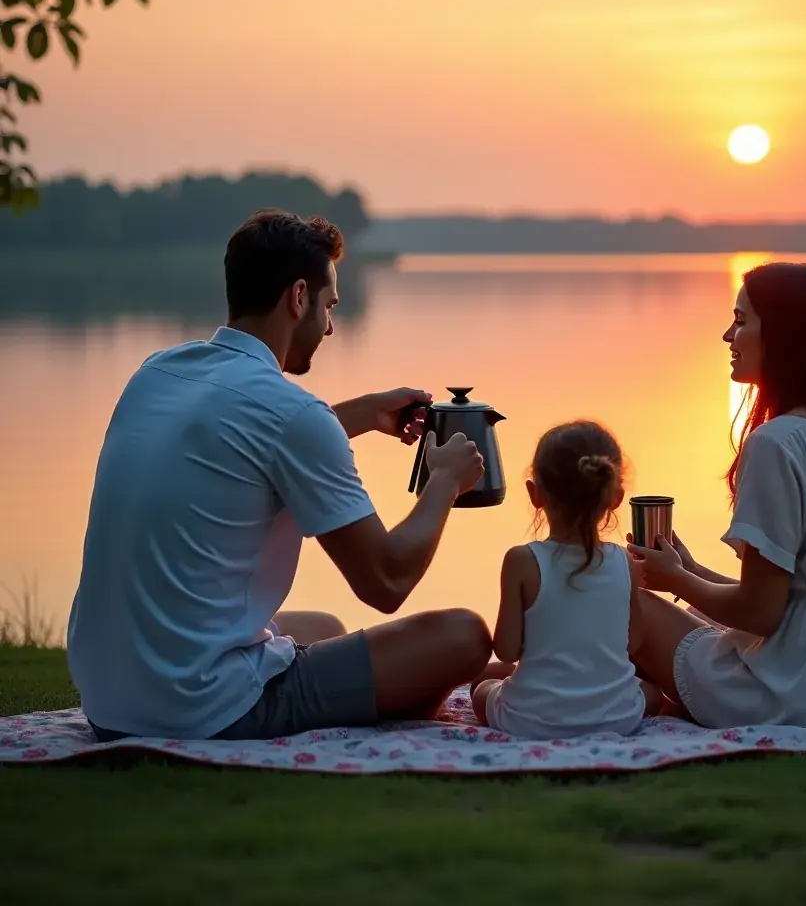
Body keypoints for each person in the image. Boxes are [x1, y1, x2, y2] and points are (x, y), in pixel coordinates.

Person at [67, 208, 492, 742]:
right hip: (198, 707)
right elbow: (386, 582)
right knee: (464, 636)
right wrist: (445, 482)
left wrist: (359, 415)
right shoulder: (292, 414)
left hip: (109, 695)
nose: (331, 325)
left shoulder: (157, 373)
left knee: (323, 629)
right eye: (329, 305)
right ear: (298, 298)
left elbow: (243, 449)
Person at [627, 262, 806, 729]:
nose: (727, 335)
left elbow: (761, 613)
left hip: (798, 693)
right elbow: (792, 598)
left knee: (625, 603)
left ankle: (554, 692)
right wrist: (690, 570)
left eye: (741, 321)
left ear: (783, 336)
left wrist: (674, 582)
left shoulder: (776, 443)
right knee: (702, 632)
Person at [471, 421, 661, 738]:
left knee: (483, 687)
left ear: (535, 494)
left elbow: (506, 651)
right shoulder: (624, 562)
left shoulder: (522, 561)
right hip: (617, 719)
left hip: (530, 721)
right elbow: (633, 642)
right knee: (651, 693)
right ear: (615, 497)